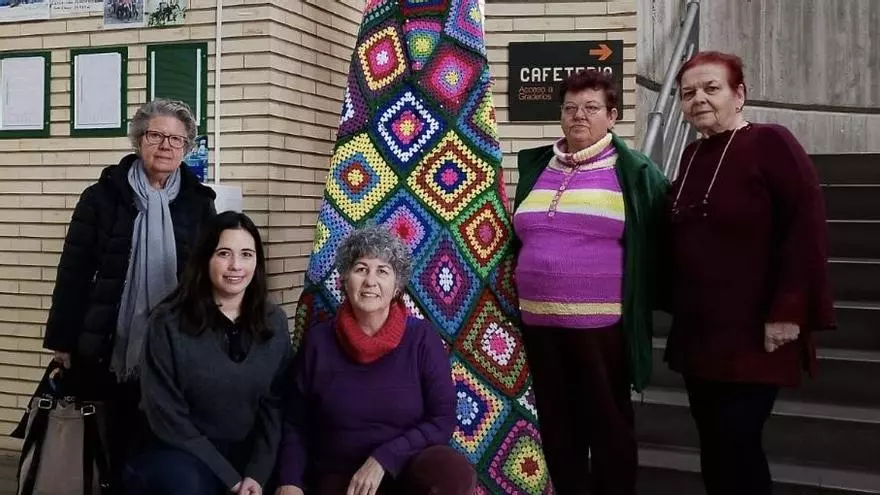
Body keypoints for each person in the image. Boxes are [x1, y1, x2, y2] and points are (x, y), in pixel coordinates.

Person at [664, 51, 835, 495]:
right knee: (714, 446)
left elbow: (804, 227)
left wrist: (789, 311)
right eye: (688, 93)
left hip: (756, 332)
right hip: (702, 336)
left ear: (739, 95)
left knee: (738, 443)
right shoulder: (691, 155)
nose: (698, 99)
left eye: (710, 88)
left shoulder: (770, 143)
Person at [42, 98, 216, 480]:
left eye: (177, 138)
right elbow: (73, 273)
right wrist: (63, 342)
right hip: (108, 344)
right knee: (107, 446)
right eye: (156, 135)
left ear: (187, 148)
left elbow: (210, 280)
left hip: (175, 349)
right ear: (139, 140)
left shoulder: (199, 205)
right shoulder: (101, 197)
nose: (166, 145)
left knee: (161, 449)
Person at [512, 69, 668, 495]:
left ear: (612, 116)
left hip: (600, 330)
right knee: (557, 430)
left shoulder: (633, 173)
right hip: (539, 328)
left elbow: (661, 242)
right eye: (570, 108)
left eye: (591, 108)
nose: (579, 116)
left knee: (608, 428)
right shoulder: (537, 166)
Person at [276, 226, 476, 495]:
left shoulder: (421, 338)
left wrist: (384, 458)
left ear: (397, 286)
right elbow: (295, 422)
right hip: (340, 475)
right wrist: (290, 481)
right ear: (344, 281)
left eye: (383, 271)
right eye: (361, 269)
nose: (370, 280)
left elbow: (442, 419)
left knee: (452, 471)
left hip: (406, 468)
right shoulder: (319, 342)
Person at [125, 212, 292, 495]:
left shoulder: (273, 321)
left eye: (247, 254)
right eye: (224, 253)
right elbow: (166, 415)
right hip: (179, 449)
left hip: (247, 450)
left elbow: (275, 406)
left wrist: (257, 474)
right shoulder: (167, 322)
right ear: (205, 258)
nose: (236, 265)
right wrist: (231, 479)